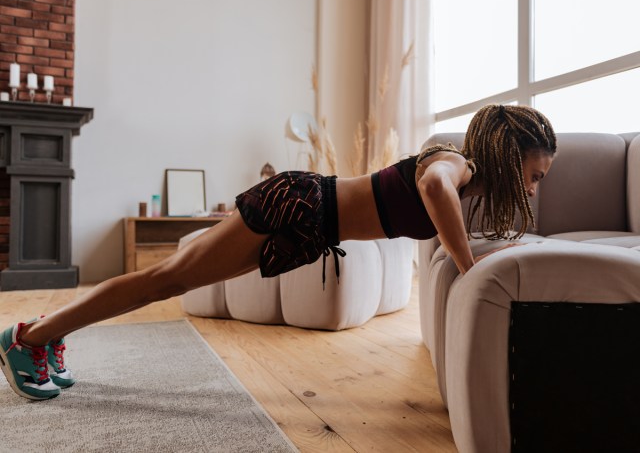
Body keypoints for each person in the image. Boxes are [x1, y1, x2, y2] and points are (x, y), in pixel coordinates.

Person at [0, 104, 557, 400]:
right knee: (165, 280)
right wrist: (468, 266)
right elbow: (433, 189)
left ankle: (49, 332)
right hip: (299, 202)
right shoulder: (457, 166)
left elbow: (442, 206)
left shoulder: (469, 183)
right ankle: (28, 337)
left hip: (309, 222)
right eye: (533, 174)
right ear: (508, 155)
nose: (533, 188)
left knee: (171, 280)